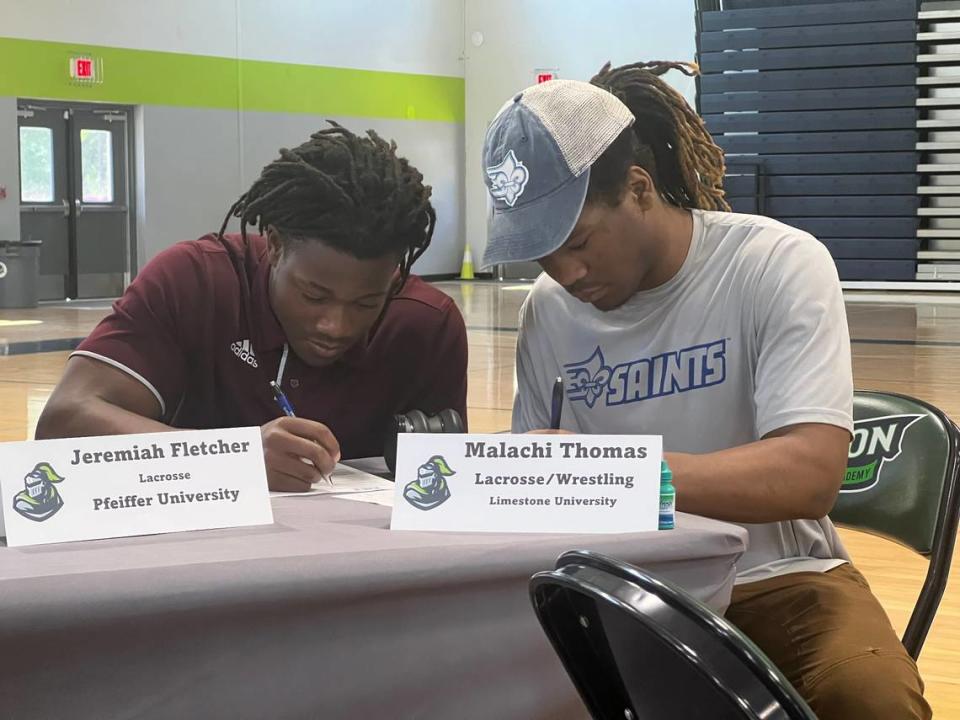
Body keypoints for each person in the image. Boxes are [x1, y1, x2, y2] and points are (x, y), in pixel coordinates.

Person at [481, 62, 930, 719]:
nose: (565, 273)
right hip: (622, 590)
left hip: (780, 581)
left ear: (638, 189)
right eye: (542, 255)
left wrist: (614, 477)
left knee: (869, 701)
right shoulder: (547, 311)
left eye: (577, 242)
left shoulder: (775, 264)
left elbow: (809, 473)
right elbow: (537, 485)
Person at [37, 122, 468, 492]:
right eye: (314, 296)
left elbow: (443, 483)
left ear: (395, 273)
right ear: (275, 246)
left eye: (367, 302)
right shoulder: (193, 282)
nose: (335, 325)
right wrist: (231, 461)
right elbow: (63, 422)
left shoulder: (426, 323)